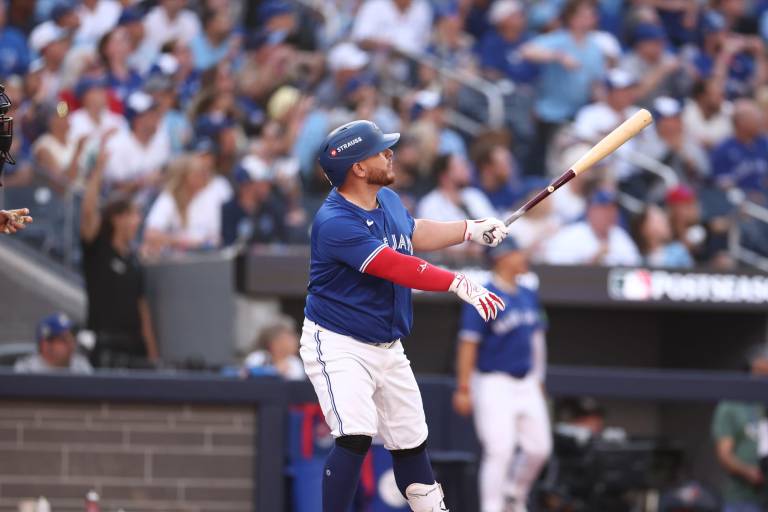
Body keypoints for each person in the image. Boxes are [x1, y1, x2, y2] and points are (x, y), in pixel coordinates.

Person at [301, 120, 510, 512]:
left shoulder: (388, 200)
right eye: (380, 151)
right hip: (339, 342)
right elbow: (395, 265)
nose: (389, 153)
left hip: (387, 343)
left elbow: (413, 233)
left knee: (410, 440)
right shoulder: (334, 222)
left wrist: (470, 228)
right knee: (355, 434)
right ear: (358, 168)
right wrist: (456, 282)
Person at [453, 236, 551, 512]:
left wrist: (539, 377)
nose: (523, 258)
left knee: (539, 448)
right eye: (517, 253)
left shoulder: (528, 294)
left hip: (527, 381)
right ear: (501, 258)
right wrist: (463, 387)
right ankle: (492, 507)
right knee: (500, 451)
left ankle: (514, 493)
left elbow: (537, 342)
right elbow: (468, 344)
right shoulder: (483, 295)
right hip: (493, 381)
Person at [79, 134, 159, 368]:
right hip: (104, 342)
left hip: (134, 346)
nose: (138, 220)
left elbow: (142, 309)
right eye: (133, 214)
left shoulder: (134, 259)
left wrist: (153, 354)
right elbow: (87, 214)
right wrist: (98, 171)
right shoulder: (98, 250)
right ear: (117, 218)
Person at [711, 344, 768, 512]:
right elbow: (724, 454)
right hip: (743, 499)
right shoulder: (733, 405)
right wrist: (749, 472)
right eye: (762, 373)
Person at [544, 189, 641, 266]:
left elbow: (635, 267)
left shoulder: (620, 236)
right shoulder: (572, 235)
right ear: (590, 211)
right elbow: (556, 270)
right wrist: (591, 262)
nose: (609, 213)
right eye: (603, 209)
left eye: (612, 209)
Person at [220, 155, 288, 247]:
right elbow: (228, 245)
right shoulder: (229, 210)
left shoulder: (272, 208)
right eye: (261, 183)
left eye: (267, 183)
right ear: (247, 185)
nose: (267, 188)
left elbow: (282, 240)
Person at [14, 313, 93, 374]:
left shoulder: (81, 366)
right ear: (46, 345)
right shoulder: (26, 370)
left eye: (72, 338)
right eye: (64, 339)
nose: (71, 343)